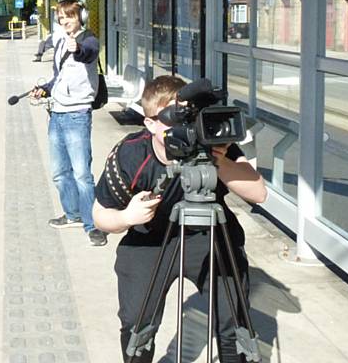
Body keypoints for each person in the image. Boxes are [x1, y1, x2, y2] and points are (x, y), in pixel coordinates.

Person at [93, 75, 267, 362]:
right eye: (172, 119)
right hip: (151, 238)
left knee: (233, 322)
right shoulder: (131, 153)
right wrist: (127, 216)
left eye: (187, 119)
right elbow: (99, 215)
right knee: (138, 320)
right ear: (149, 123)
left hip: (209, 234)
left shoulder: (210, 140)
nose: (182, 129)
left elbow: (258, 193)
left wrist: (218, 160)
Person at [32, 0, 107, 246]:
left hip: (77, 115)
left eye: (70, 16)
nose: (65, 21)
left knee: (82, 174)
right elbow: (60, 76)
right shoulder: (62, 41)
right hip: (57, 113)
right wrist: (44, 89)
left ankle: (93, 224)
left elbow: (88, 55)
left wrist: (78, 48)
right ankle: (73, 214)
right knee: (59, 173)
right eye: (61, 17)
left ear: (81, 17)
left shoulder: (88, 40)